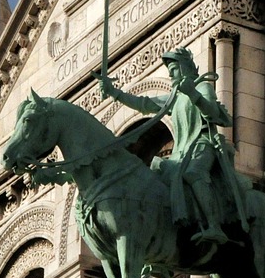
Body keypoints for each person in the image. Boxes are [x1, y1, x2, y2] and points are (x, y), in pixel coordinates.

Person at [95, 48, 241, 245]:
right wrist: (115, 93)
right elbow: (145, 104)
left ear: (185, 68)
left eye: (173, 69)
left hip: (203, 145)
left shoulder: (202, 87)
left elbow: (217, 116)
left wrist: (193, 95)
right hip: (181, 152)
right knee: (155, 179)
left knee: (193, 173)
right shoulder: (175, 97)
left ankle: (214, 226)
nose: (170, 74)